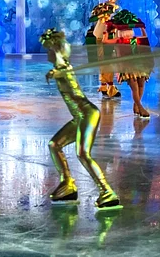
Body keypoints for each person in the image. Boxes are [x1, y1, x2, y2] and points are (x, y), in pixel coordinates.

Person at [40, 28, 121, 209]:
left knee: (83, 153)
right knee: (54, 144)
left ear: (55, 50)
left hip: (88, 114)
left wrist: (55, 73)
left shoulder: (63, 68)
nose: (47, 54)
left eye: (48, 50)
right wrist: (54, 72)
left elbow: (62, 69)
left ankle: (107, 191)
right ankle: (67, 184)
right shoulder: (61, 67)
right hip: (79, 116)